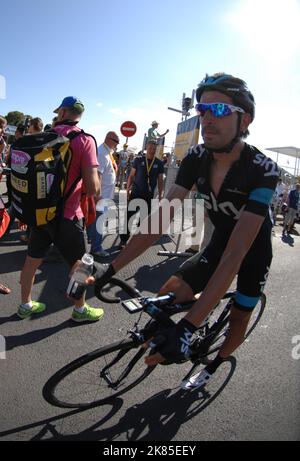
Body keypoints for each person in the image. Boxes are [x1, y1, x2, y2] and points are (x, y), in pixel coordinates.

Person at [90, 72, 280, 390]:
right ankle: (171, 334)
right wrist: (111, 268)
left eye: (218, 110)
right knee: (171, 290)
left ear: (244, 120)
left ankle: (213, 365)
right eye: (202, 110)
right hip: (219, 242)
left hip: (251, 252)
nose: (206, 118)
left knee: (238, 318)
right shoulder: (195, 157)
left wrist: (189, 327)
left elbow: (236, 253)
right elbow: (159, 219)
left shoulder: (263, 170)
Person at [18, 96, 104, 322]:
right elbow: (93, 186)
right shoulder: (84, 140)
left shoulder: (42, 137)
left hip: (41, 212)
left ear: (63, 112)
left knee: (31, 260)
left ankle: (25, 304)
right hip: (68, 214)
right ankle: (80, 309)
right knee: (81, 265)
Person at [119, 141, 164, 248]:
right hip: (135, 193)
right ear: (146, 148)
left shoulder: (159, 163)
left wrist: (161, 195)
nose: (152, 150)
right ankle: (123, 241)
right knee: (129, 217)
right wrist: (128, 189)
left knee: (144, 221)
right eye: (150, 148)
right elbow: (131, 175)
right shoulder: (138, 160)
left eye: (154, 148)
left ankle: (137, 242)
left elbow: (160, 180)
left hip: (148, 196)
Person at [87, 131, 119, 258]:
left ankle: (91, 239)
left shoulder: (107, 152)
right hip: (102, 195)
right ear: (108, 139)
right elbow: (97, 175)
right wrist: (97, 195)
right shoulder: (102, 153)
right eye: (116, 141)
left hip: (105, 194)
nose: (117, 144)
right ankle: (96, 248)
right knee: (99, 222)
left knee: (94, 221)